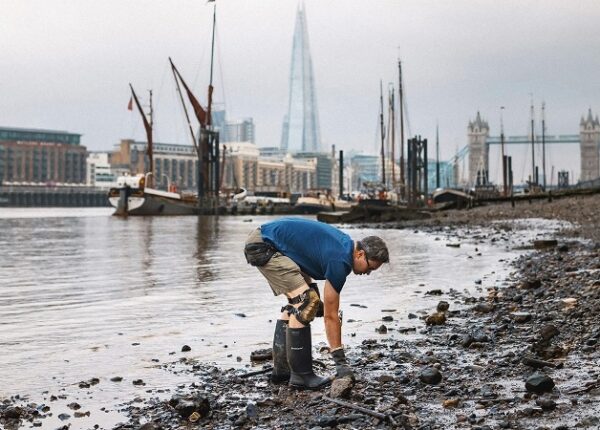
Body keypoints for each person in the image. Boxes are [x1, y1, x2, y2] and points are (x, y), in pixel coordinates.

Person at [244, 218, 389, 390]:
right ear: (360, 254)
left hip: (265, 241)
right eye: (370, 267)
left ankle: (282, 371)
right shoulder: (340, 261)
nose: (368, 273)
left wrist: (313, 294)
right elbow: (331, 316)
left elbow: (304, 255)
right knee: (306, 303)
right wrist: (340, 362)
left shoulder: (344, 246)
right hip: (264, 245)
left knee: (301, 300)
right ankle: (301, 376)